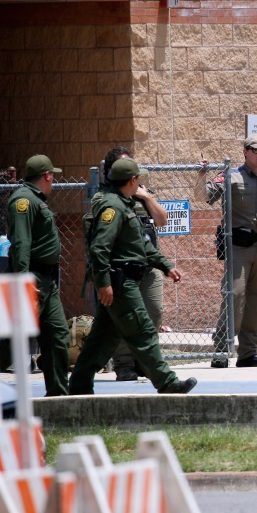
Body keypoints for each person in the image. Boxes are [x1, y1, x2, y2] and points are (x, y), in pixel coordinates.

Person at [69, 158, 196, 395]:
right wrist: (105, 284)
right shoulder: (113, 207)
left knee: (102, 339)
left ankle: (79, 384)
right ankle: (167, 383)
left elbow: (141, 245)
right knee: (143, 331)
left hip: (124, 280)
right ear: (132, 180)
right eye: (138, 177)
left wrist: (165, 266)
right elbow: (99, 248)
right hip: (120, 283)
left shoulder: (123, 204)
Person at [196, 134, 257, 369]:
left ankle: (248, 353)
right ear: (245, 151)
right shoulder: (231, 176)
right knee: (235, 295)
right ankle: (221, 350)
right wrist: (202, 175)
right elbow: (204, 196)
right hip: (239, 248)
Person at [88, 146, 169, 381]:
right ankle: (124, 364)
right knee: (123, 318)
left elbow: (161, 220)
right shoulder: (105, 199)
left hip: (148, 266)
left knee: (153, 313)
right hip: (122, 270)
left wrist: (145, 197)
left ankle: (144, 362)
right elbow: (101, 242)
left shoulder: (142, 194)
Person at [5, 155, 70, 396]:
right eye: (53, 175)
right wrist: (23, 284)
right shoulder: (23, 200)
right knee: (10, 341)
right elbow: (21, 245)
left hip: (47, 283)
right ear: (47, 175)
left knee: (58, 335)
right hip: (32, 280)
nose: (54, 180)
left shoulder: (35, 199)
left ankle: (58, 395)